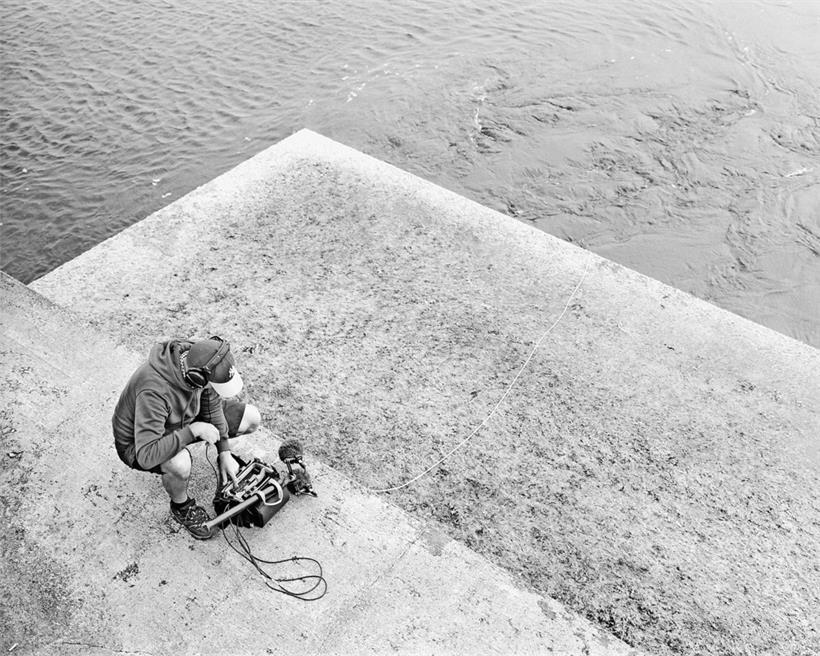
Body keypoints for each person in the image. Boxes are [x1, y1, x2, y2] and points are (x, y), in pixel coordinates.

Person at [112, 336, 261, 539]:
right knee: (180, 464)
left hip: (185, 419)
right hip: (141, 443)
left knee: (251, 418)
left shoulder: (201, 362)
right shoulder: (153, 391)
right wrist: (193, 430)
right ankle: (181, 506)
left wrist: (224, 451)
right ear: (196, 378)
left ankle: (223, 464)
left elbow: (213, 405)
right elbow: (146, 455)